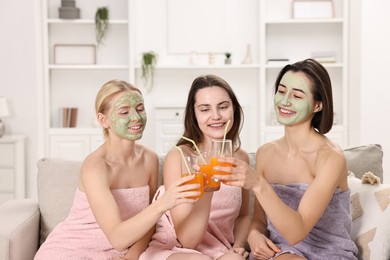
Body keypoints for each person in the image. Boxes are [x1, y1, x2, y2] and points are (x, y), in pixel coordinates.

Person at [34, 79, 201, 259]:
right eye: (124, 112)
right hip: (77, 248)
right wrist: (163, 203)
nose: (136, 117)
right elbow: (118, 239)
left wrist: (132, 257)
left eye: (140, 108)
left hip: (129, 250)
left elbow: (149, 224)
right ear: (103, 120)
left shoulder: (149, 159)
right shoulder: (95, 167)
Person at [215, 59, 358, 259]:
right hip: (279, 252)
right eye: (281, 91)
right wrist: (254, 236)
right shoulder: (266, 153)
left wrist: (257, 183)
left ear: (317, 105)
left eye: (297, 96)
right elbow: (259, 221)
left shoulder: (330, 158)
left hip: (327, 253)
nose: (285, 101)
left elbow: (296, 232)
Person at [140, 74, 251, 260]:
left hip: (220, 249)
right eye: (205, 109)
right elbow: (187, 240)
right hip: (175, 247)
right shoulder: (180, 157)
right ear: (194, 114)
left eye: (223, 107)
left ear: (233, 109)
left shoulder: (241, 157)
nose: (216, 116)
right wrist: (208, 189)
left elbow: (243, 216)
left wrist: (238, 246)